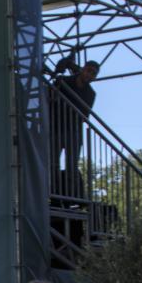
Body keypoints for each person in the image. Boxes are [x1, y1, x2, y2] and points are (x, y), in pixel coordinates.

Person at [49, 55, 99, 200]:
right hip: (56, 129)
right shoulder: (64, 81)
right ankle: (54, 194)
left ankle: (70, 197)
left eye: (93, 73)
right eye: (89, 71)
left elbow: (84, 114)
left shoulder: (91, 93)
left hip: (74, 132)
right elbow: (50, 98)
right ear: (83, 69)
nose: (90, 75)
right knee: (53, 164)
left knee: (72, 166)